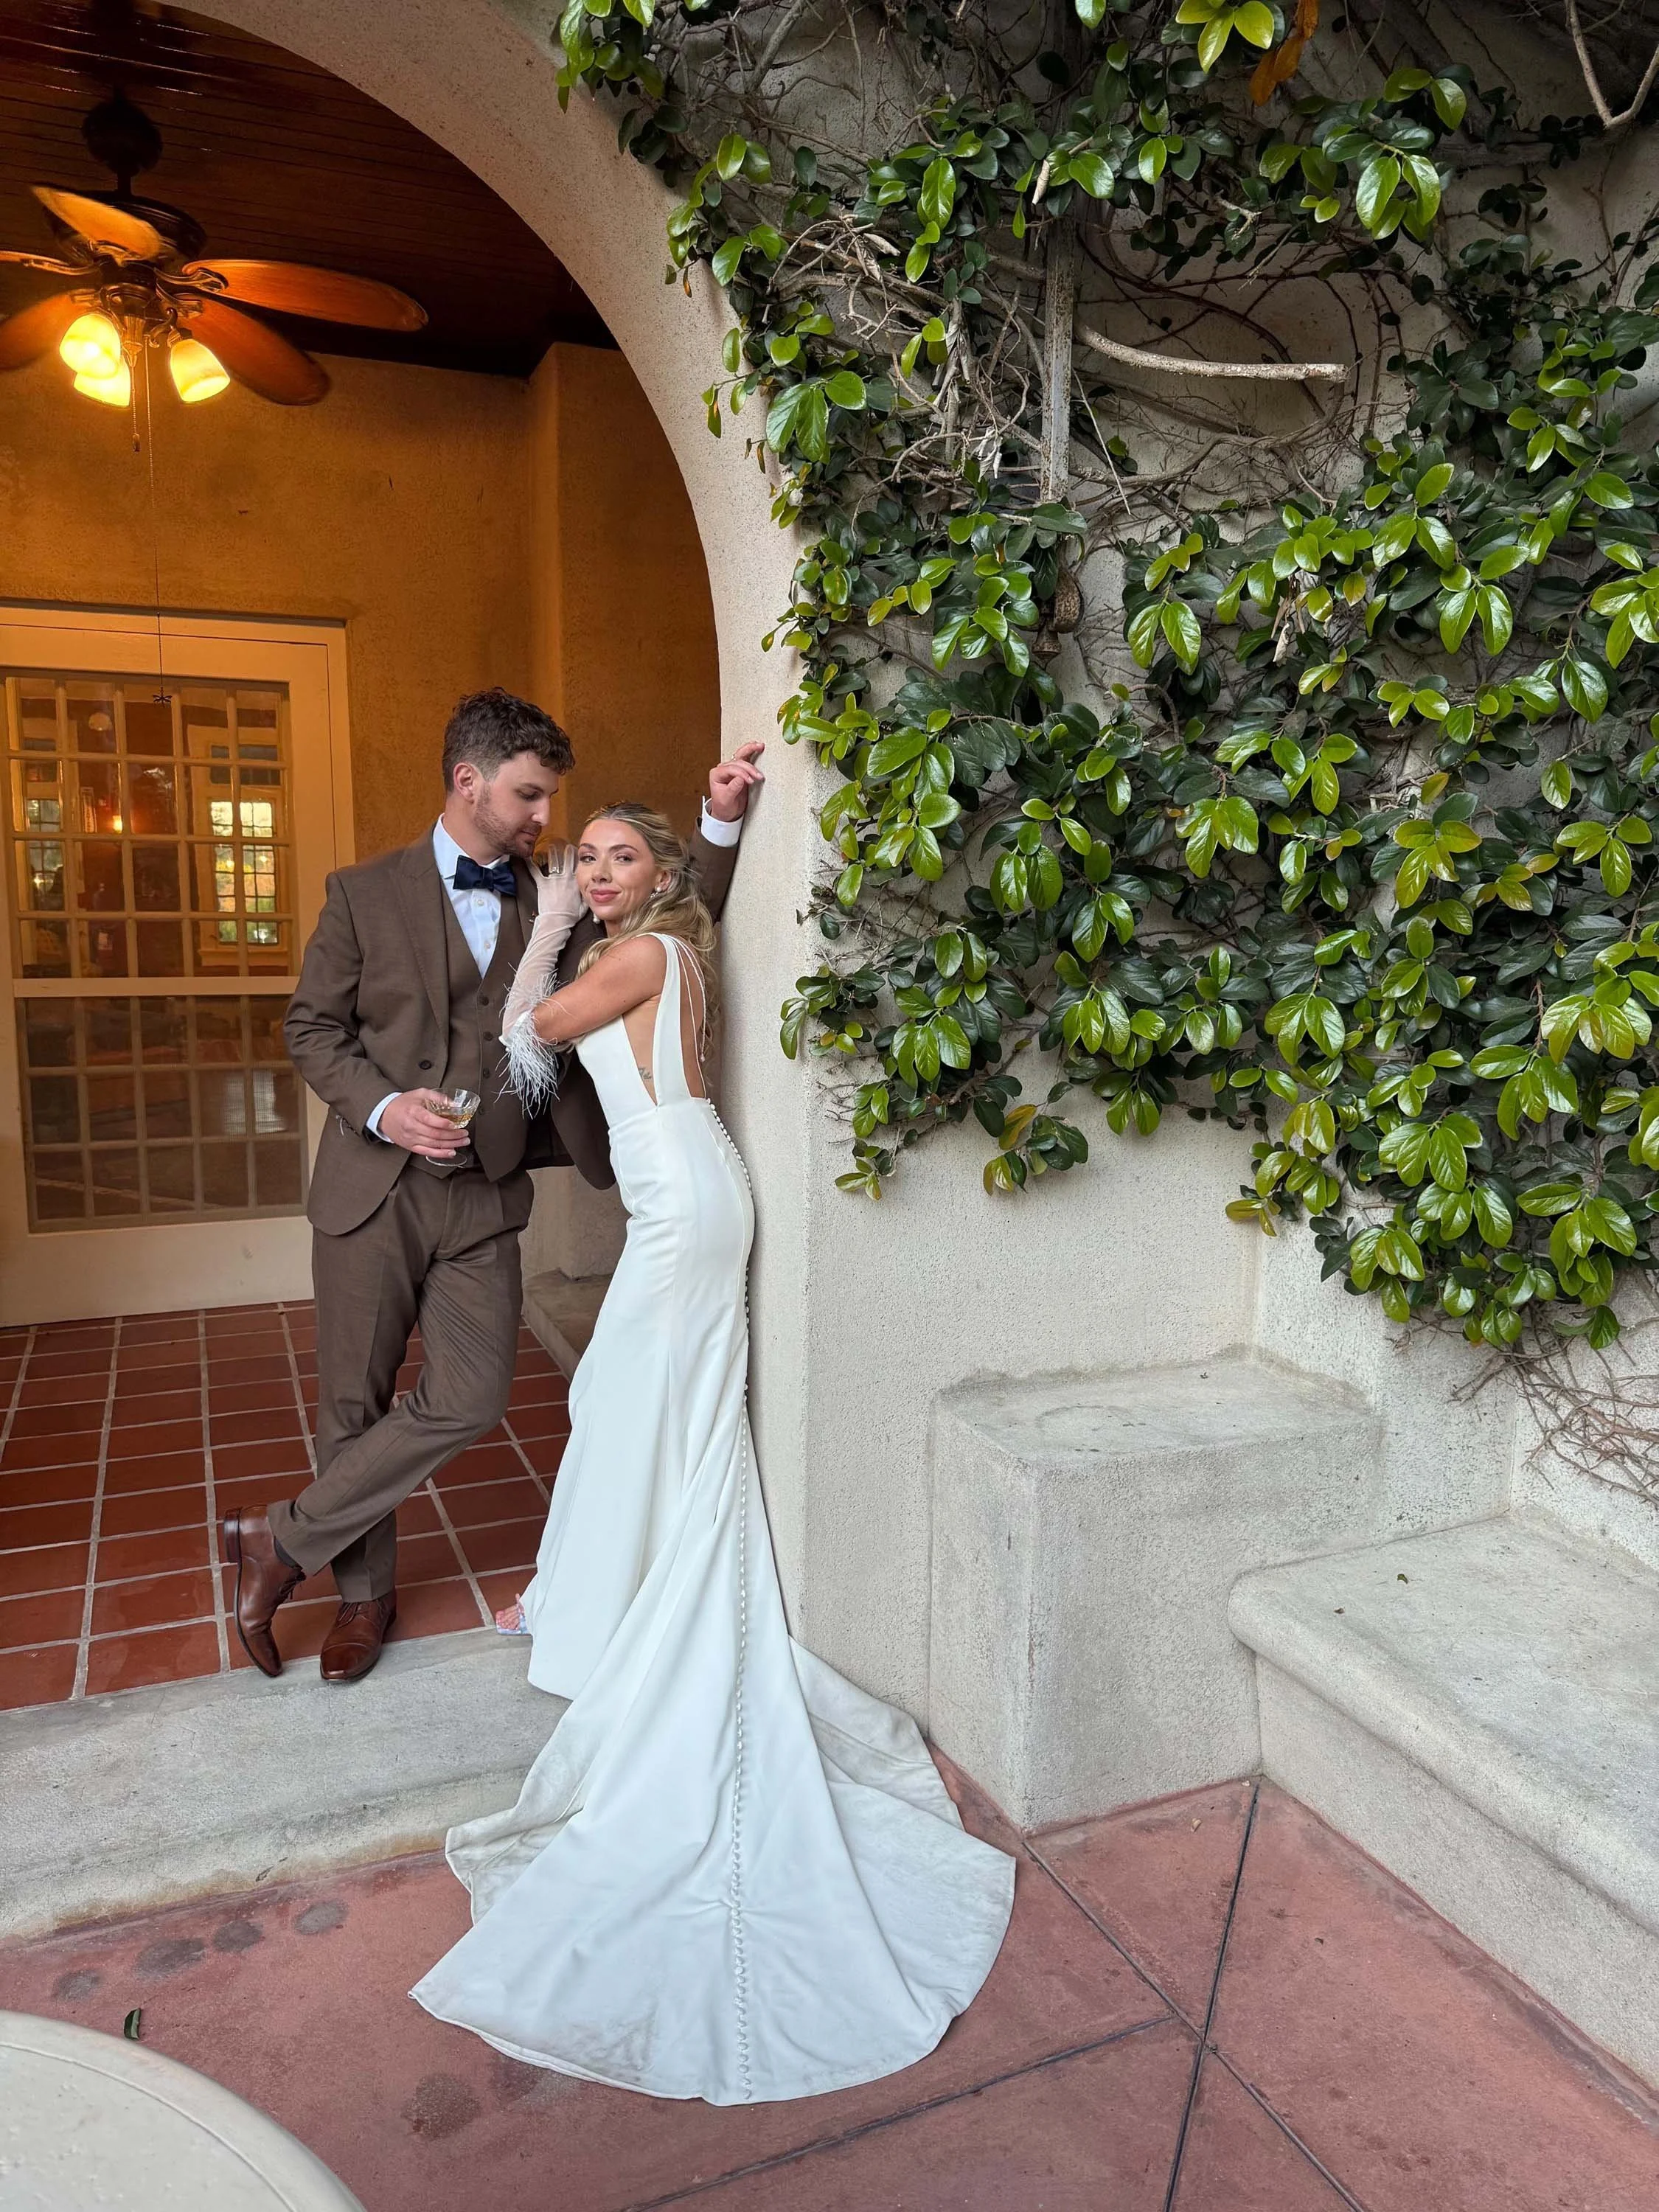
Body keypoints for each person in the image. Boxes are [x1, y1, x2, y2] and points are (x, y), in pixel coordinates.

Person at [410, 805, 1014, 2104]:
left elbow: (526, 1029)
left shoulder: (631, 956)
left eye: (616, 856)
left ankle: (602, 1613)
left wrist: (555, 921)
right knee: (644, 1410)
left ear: (662, 881)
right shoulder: (679, 956)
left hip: (683, 1204)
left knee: (628, 1403)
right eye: (582, 857)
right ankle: (588, 1595)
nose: (590, 872)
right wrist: (698, 824)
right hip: (696, 1186)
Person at [220, 688, 762, 1685]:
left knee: (471, 1398)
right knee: (354, 1402)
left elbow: (675, 905)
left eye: (547, 800)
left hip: (485, 1189)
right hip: (370, 1187)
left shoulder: (558, 887)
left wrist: (720, 821)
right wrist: (385, 1110)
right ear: (468, 781)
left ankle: (278, 1538)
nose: (542, 820)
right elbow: (311, 1030)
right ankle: (360, 1596)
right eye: (526, 796)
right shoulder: (361, 892)